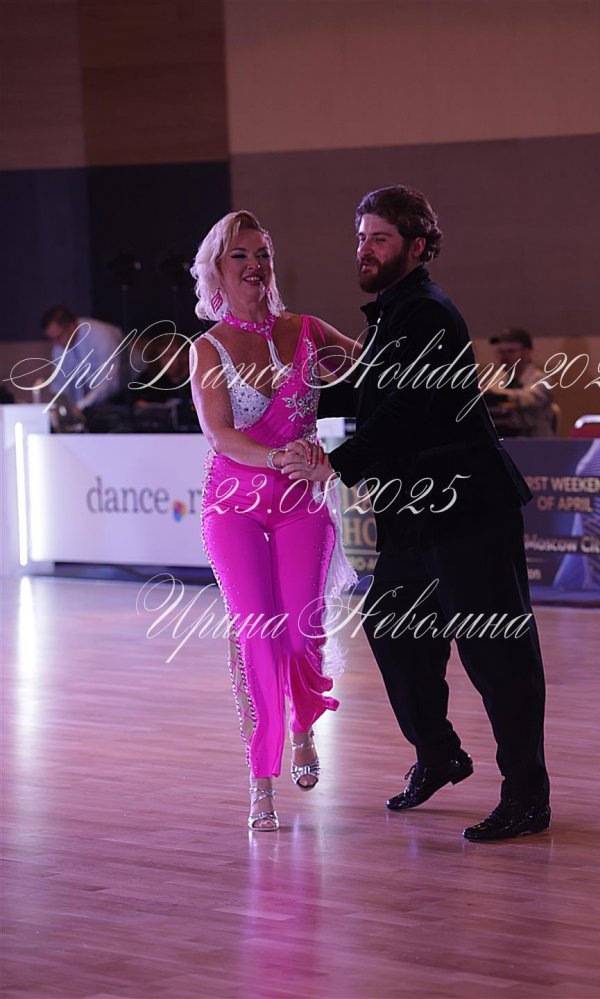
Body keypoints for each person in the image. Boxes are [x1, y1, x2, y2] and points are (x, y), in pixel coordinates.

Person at [283, 186, 550, 841]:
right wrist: (286, 400)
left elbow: (405, 411)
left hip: (467, 507)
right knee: (394, 627)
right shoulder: (394, 313)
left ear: (417, 245)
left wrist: (333, 462)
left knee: (496, 654)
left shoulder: (427, 312)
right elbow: (369, 392)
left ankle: (527, 796)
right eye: (361, 237)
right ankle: (439, 754)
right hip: (417, 512)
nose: (364, 249)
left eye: (379, 238)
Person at [189, 210, 358, 832]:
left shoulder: (307, 330)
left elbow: (373, 370)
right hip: (234, 507)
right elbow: (220, 435)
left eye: (262, 254)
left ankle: (304, 726)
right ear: (217, 269)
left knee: (301, 634)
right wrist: (281, 456)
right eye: (241, 256)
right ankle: (261, 780)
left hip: (300, 507)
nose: (255, 266)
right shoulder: (206, 348)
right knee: (257, 635)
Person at [41, 305, 123, 410]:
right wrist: (55, 406)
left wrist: (81, 406)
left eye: (58, 337)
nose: (55, 344)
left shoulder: (101, 336)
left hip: (131, 386)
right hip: (95, 396)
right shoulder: (59, 346)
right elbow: (60, 383)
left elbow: (108, 382)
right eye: (52, 339)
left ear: (71, 328)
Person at [484, 327, 555, 437]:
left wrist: (499, 394)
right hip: (504, 440)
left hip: (535, 441)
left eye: (511, 351)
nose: (504, 357)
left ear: (527, 352)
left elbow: (530, 399)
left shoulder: (541, 378)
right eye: (501, 352)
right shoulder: (500, 376)